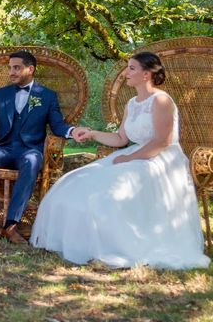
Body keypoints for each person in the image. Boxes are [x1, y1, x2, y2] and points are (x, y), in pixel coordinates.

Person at [31, 52, 210, 269]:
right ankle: (89, 244)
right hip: (134, 155)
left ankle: (123, 246)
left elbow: (162, 141)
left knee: (112, 192)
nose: (126, 73)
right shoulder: (132, 103)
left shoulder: (161, 100)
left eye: (131, 68)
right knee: (75, 181)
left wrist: (129, 158)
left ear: (146, 74)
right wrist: (92, 134)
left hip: (161, 160)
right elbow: (120, 138)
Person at [0, 50, 79, 242]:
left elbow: (57, 125)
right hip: (2, 148)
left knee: (32, 160)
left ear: (30, 69)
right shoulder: (0, 94)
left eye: (16, 68)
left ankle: (11, 225)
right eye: (10, 68)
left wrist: (72, 132)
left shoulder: (47, 96)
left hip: (29, 151)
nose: (11, 72)